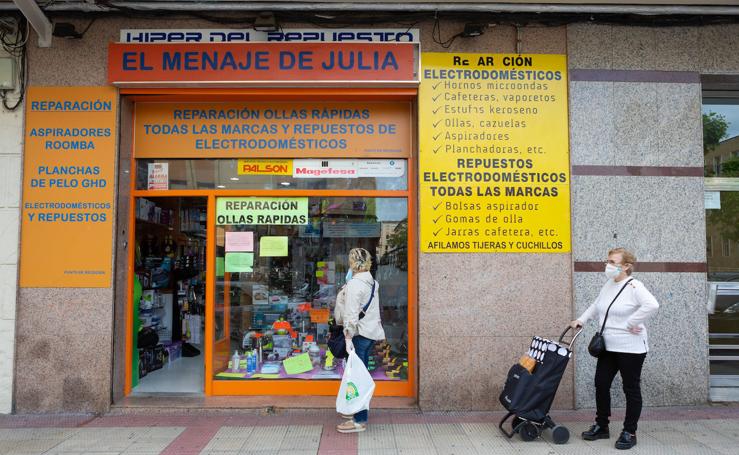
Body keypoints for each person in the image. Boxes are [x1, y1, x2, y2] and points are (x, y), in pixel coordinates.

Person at [570, 247, 659, 450]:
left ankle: (629, 431)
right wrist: (581, 320)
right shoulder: (609, 284)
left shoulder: (635, 286)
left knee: (631, 389)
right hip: (608, 346)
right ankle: (602, 426)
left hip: (631, 348)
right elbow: (597, 304)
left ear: (626, 266)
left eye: (612, 261)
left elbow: (652, 305)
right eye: (607, 261)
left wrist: (631, 322)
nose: (607, 265)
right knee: (601, 384)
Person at [336, 247, 385, 434]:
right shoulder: (372, 282)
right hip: (369, 333)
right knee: (358, 375)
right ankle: (355, 411)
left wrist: (348, 337)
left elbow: (351, 314)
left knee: (357, 378)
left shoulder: (355, 284)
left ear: (352, 262)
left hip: (358, 335)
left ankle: (359, 420)